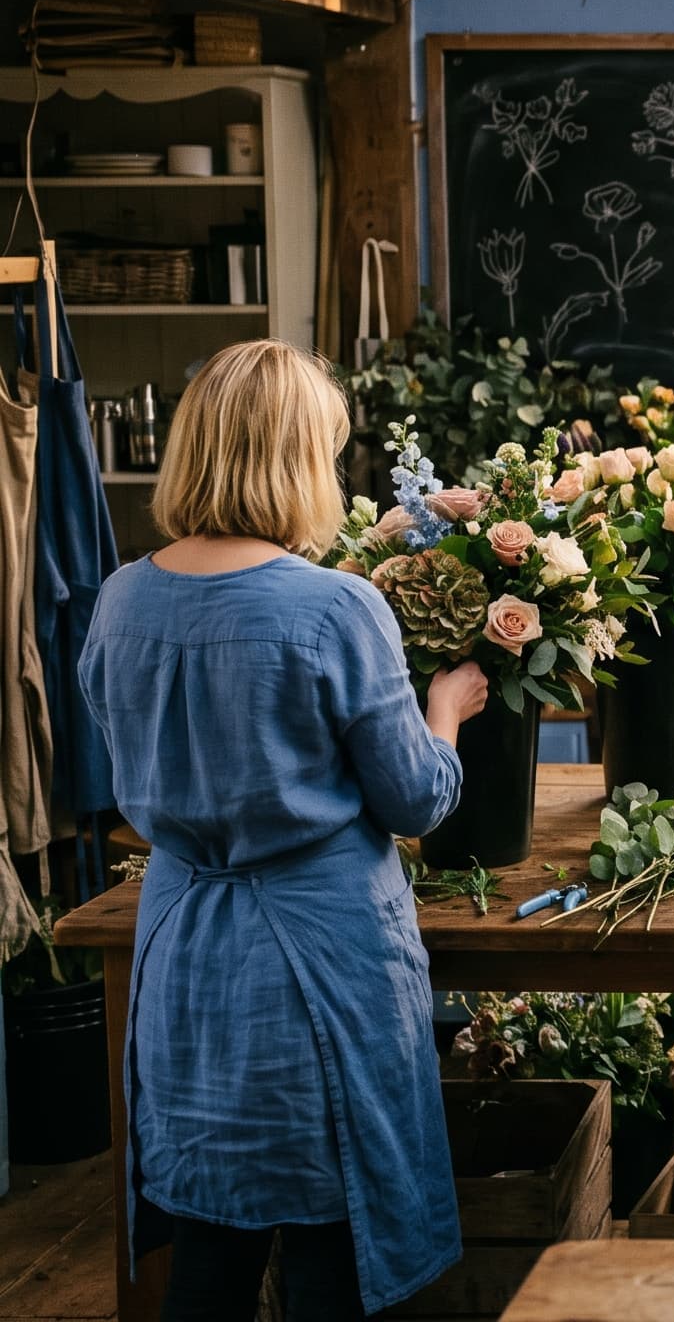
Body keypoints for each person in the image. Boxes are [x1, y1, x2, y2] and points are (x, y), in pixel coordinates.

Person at [77, 341, 483, 1321]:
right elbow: (417, 799)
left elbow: (125, 780)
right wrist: (447, 712)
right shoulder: (336, 607)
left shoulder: (121, 598)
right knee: (330, 1251)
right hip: (319, 971)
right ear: (298, 457)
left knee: (210, 1245)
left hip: (184, 961)